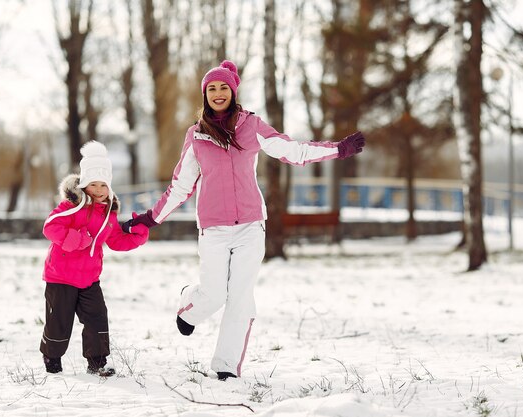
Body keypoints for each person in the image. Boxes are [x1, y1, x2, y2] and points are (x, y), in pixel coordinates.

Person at [122, 60, 365, 381]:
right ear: (205, 95)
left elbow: (292, 150)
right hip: (213, 228)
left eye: (224, 87)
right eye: (212, 88)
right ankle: (190, 304)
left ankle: (225, 366)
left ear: (233, 91)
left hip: (251, 226)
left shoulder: (251, 126)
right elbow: (180, 185)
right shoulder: (196, 136)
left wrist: (337, 150)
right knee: (213, 294)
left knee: (239, 297)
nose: (218, 93)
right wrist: (150, 218)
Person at [40, 141, 149, 376]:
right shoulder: (72, 206)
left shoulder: (108, 212)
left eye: (103, 185)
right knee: (59, 321)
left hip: (89, 278)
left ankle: (97, 361)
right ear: (83, 184)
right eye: (93, 184)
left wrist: (137, 237)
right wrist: (77, 239)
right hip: (61, 277)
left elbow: (115, 240)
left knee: (97, 318)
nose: (99, 190)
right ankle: (52, 357)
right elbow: (50, 227)